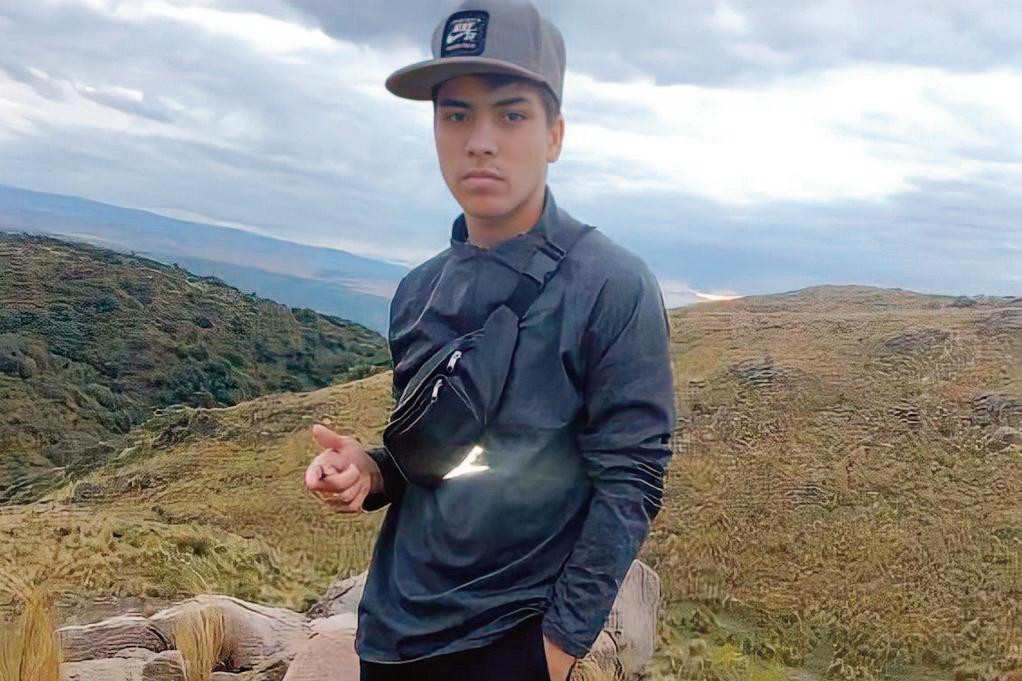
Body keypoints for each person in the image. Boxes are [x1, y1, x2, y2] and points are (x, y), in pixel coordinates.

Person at [304, 1, 677, 679]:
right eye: (456, 115)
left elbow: (632, 480)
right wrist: (373, 469)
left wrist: (553, 651)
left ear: (554, 134)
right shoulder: (417, 291)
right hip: (388, 637)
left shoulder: (611, 284)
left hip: (511, 643)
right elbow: (444, 455)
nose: (480, 141)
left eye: (510, 115)